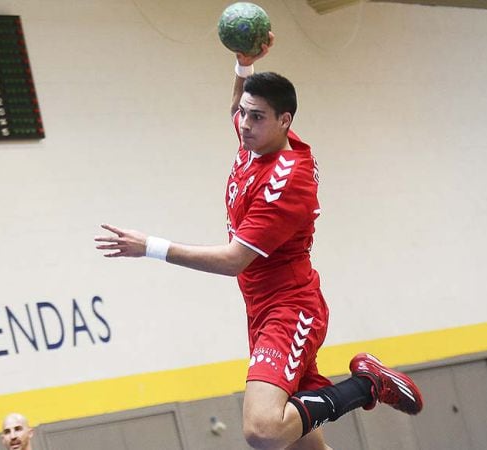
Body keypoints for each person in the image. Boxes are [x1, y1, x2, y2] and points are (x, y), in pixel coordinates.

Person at [95, 33, 423, 450]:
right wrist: (243, 65)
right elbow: (238, 105)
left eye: (257, 117)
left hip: (289, 308)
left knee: (264, 431)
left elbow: (234, 260)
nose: (244, 124)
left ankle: (367, 384)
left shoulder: (287, 181)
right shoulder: (257, 140)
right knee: (301, 443)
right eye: (245, 115)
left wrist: (151, 247)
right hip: (261, 307)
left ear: (285, 121)